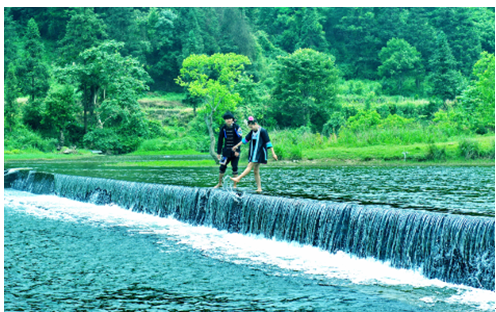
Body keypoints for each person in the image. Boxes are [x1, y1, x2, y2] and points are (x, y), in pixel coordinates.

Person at [230, 116, 277, 193]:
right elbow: (245, 140)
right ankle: (259, 188)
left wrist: (273, 153)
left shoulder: (263, 131)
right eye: (250, 127)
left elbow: (268, 142)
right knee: (255, 170)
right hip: (254, 152)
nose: (251, 128)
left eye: (251, 126)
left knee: (250, 165)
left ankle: (239, 178)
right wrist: (236, 146)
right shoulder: (252, 132)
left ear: (255, 124)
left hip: (260, 152)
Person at [213, 112, 243, 188]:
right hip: (226, 151)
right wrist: (219, 152)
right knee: (222, 167)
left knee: (235, 167)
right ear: (225, 120)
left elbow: (240, 139)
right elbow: (220, 140)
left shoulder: (237, 127)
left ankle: (234, 185)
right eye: (226, 119)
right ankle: (219, 183)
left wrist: (237, 150)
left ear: (232, 119)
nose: (228, 120)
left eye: (229, 119)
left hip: (235, 151)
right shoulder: (223, 128)